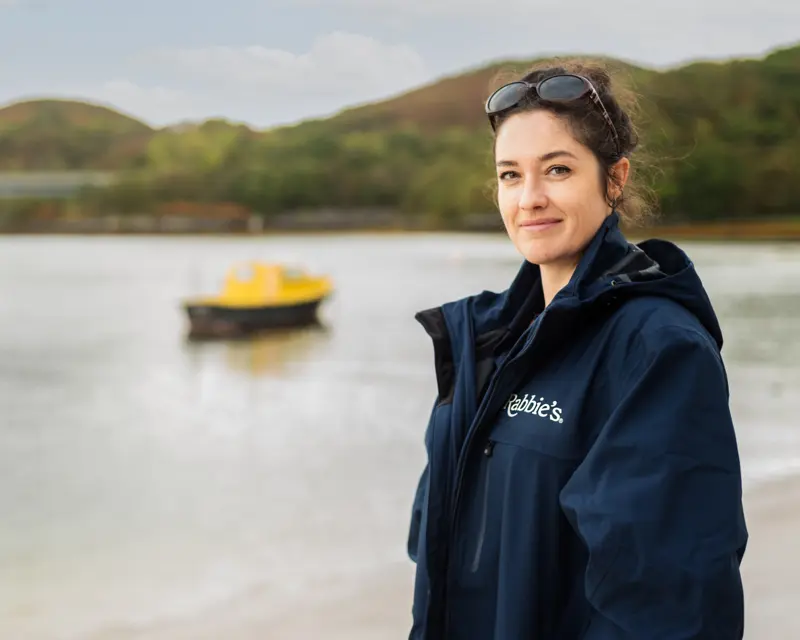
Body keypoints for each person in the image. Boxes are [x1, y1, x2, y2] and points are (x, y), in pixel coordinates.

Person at [406, 59, 748, 639]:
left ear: (614, 179)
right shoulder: (484, 341)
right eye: (510, 175)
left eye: (557, 169)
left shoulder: (657, 350)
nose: (529, 198)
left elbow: (667, 602)